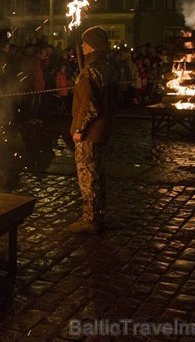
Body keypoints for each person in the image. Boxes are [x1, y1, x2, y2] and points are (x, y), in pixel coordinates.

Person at [69, 26, 118, 234]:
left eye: (84, 42)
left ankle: (89, 220)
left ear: (92, 45)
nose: (81, 45)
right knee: (98, 175)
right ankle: (98, 215)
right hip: (104, 130)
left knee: (88, 177)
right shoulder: (109, 68)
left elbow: (88, 105)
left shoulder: (90, 70)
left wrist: (79, 129)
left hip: (90, 133)